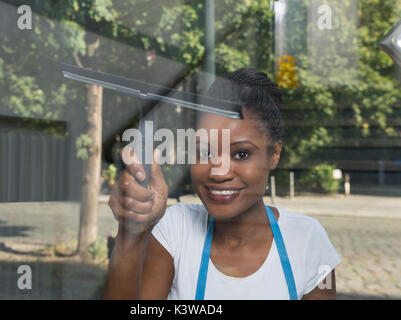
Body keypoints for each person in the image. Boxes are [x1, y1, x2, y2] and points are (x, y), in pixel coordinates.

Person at [101, 68, 341, 300]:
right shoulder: (175, 230)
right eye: (205, 152)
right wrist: (132, 231)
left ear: (274, 154)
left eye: (241, 154)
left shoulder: (308, 241)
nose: (218, 172)